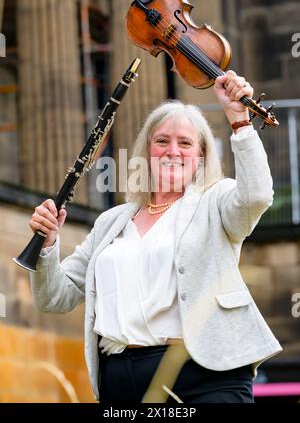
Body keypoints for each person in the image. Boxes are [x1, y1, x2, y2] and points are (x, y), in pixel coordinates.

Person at [30, 70, 282, 404]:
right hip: (120, 381)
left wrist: (239, 121)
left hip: (204, 377)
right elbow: (54, 298)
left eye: (185, 142)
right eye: (162, 141)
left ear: (201, 157)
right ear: (147, 152)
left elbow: (257, 197)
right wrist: (47, 247)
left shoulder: (215, 201)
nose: (172, 150)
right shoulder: (111, 222)